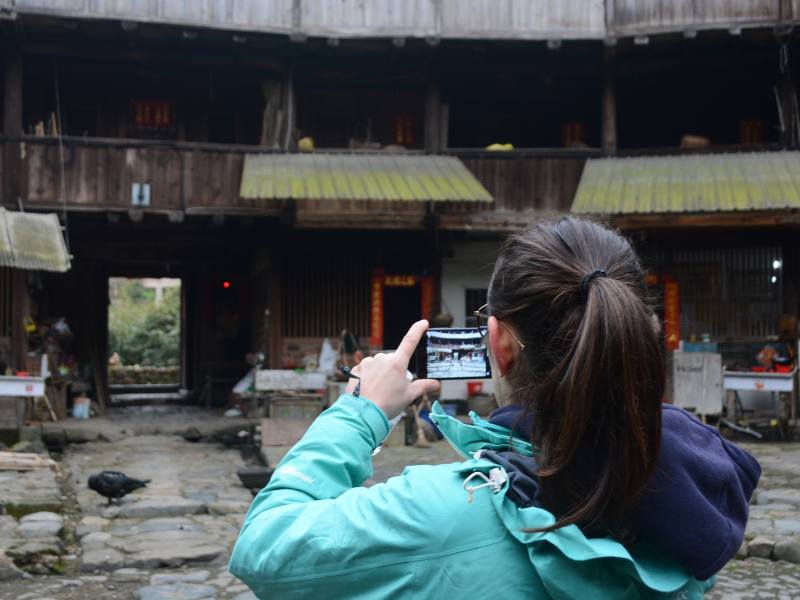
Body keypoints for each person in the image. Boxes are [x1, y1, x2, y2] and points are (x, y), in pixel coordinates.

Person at [229, 217, 760, 599]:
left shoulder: (438, 510)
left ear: (499, 345)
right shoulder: (689, 484)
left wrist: (360, 413)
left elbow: (264, 547)